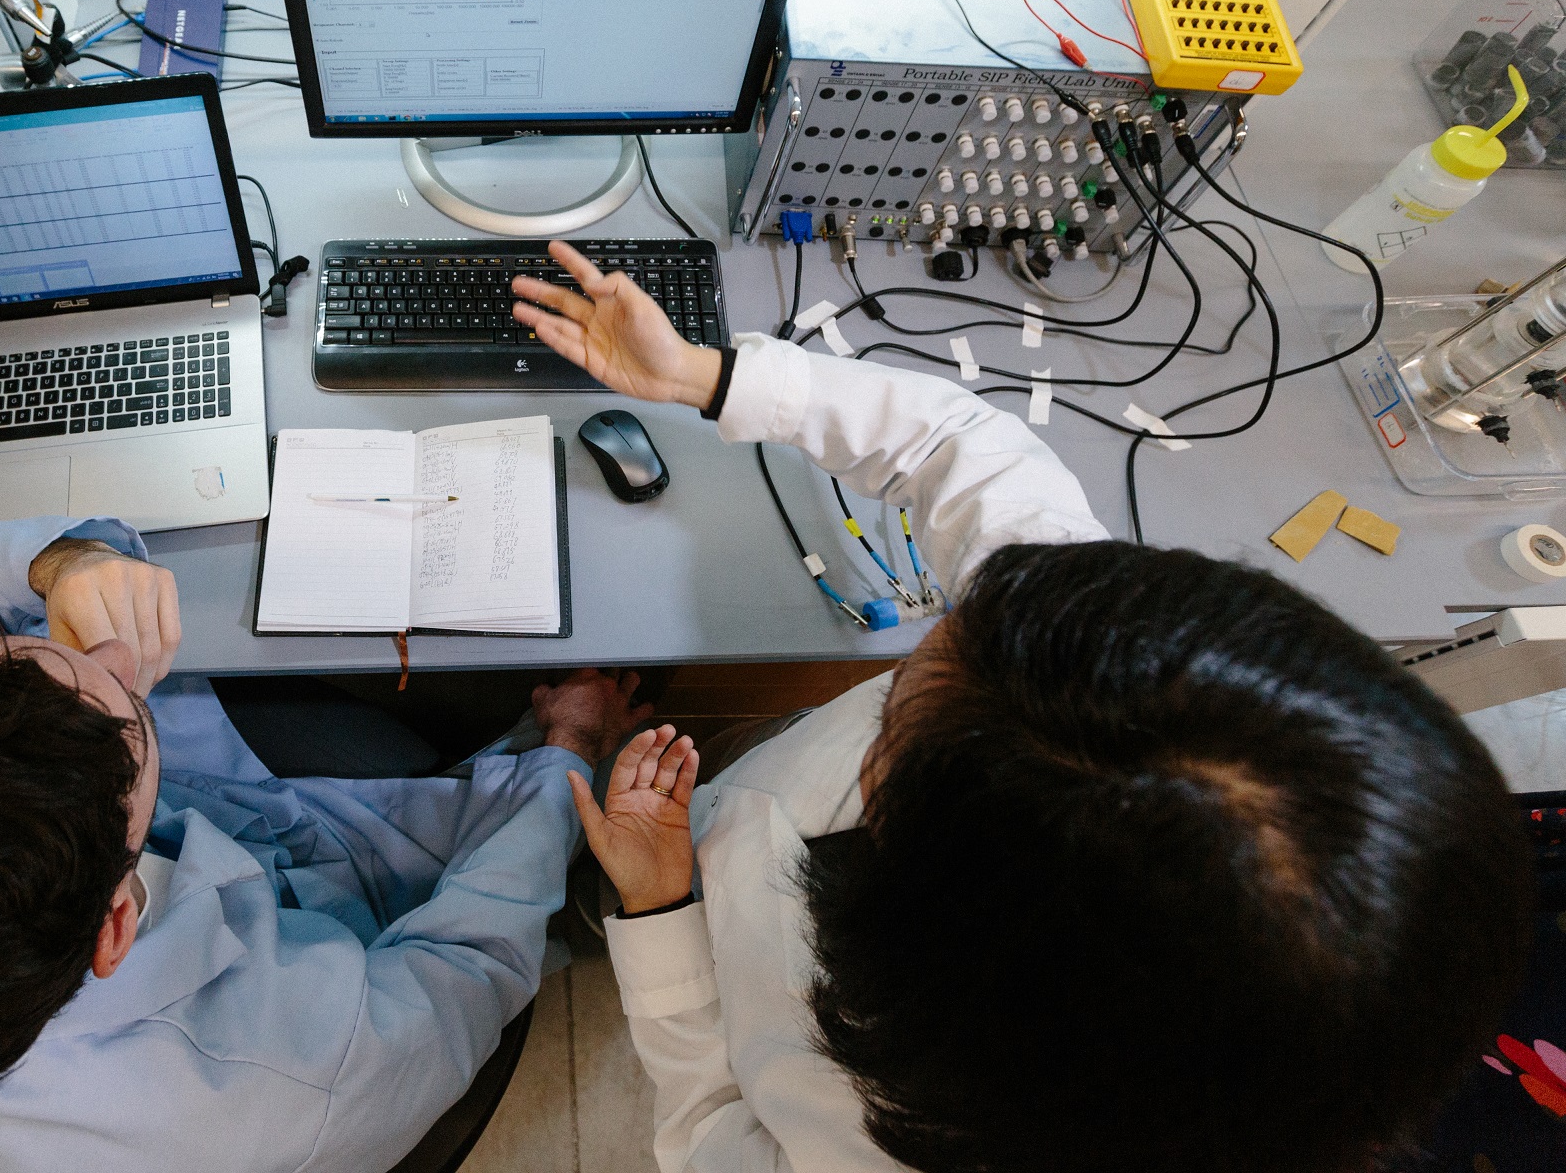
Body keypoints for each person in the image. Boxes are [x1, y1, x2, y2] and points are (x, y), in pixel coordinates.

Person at [510, 241, 1534, 1173]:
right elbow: (964, 449)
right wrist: (705, 374)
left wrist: (659, 919)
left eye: (905, 702)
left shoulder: (863, 1141)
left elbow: (709, 1134)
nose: (910, 669)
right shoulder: (1102, 671)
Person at [0, 517, 649, 1171]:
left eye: (13, 654)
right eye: (120, 720)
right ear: (115, 923)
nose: (108, 656)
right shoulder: (289, 1075)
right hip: (349, 973)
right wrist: (564, 752)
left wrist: (69, 563)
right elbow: (469, 962)